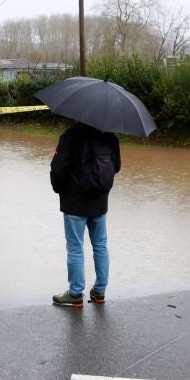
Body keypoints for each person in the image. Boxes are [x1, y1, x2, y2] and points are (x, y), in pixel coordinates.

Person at [50, 121, 121, 308]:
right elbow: (117, 167)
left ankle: (75, 294)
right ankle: (99, 292)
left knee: (75, 248)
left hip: (74, 203)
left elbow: (58, 169)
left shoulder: (71, 136)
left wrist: (58, 189)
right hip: (99, 202)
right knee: (100, 246)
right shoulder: (110, 137)